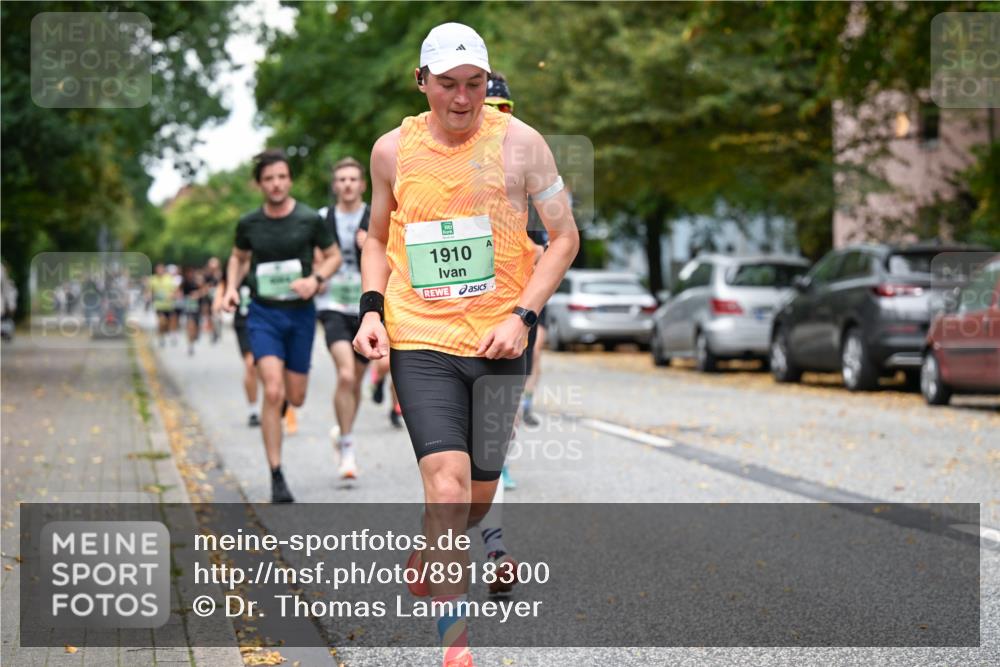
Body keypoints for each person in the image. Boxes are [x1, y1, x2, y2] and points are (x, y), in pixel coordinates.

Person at [354, 23, 578, 667]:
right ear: (420, 81)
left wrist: (523, 317)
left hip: (500, 342)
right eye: (448, 84)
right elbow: (376, 238)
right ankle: (456, 650)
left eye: (475, 84)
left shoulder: (523, 145)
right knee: (448, 492)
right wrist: (372, 309)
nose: (462, 98)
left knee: (475, 502)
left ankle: (432, 545)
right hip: (420, 337)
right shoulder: (391, 151)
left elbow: (564, 239)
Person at [223, 149, 341, 504]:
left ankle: (279, 412)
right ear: (259, 184)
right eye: (268, 178)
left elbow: (333, 256)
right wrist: (230, 288)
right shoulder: (249, 223)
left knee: (296, 396)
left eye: (281, 177)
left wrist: (315, 279)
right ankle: (276, 474)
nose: (276, 184)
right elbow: (238, 257)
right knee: (272, 392)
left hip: (300, 315)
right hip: (263, 314)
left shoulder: (308, 219)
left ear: (289, 180)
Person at [315, 157, 372, 479]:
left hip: (365, 307)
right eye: (342, 179)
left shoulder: (376, 216)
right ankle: (348, 448)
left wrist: (372, 246)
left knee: (357, 381)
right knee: (346, 375)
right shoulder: (322, 218)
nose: (347, 184)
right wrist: (317, 269)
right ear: (335, 185)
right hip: (332, 304)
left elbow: (394, 256)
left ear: (362, 185)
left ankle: (344, 432)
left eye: (353, 179)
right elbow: (311, 257)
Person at [213, 271, 262, 427]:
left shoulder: (263, 259)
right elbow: (223, 285)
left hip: (267, 321)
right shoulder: (234, 264)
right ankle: (253, 410)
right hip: (244, 323)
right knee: (250, 364)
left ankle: (275, 404)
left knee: (267, 367)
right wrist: (219, 301)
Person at [149, 263, 178, 348]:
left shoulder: (169, 278)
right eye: (158, 269)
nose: (160, 271)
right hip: (159, 305)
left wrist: (172, 295)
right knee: (162, 322)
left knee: (169, 322)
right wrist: (149, 296)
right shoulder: (153, 279)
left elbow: (175, 290)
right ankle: (161, 337)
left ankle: (170, 333)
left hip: (169, 305)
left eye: (161, 269)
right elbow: (150, 291)